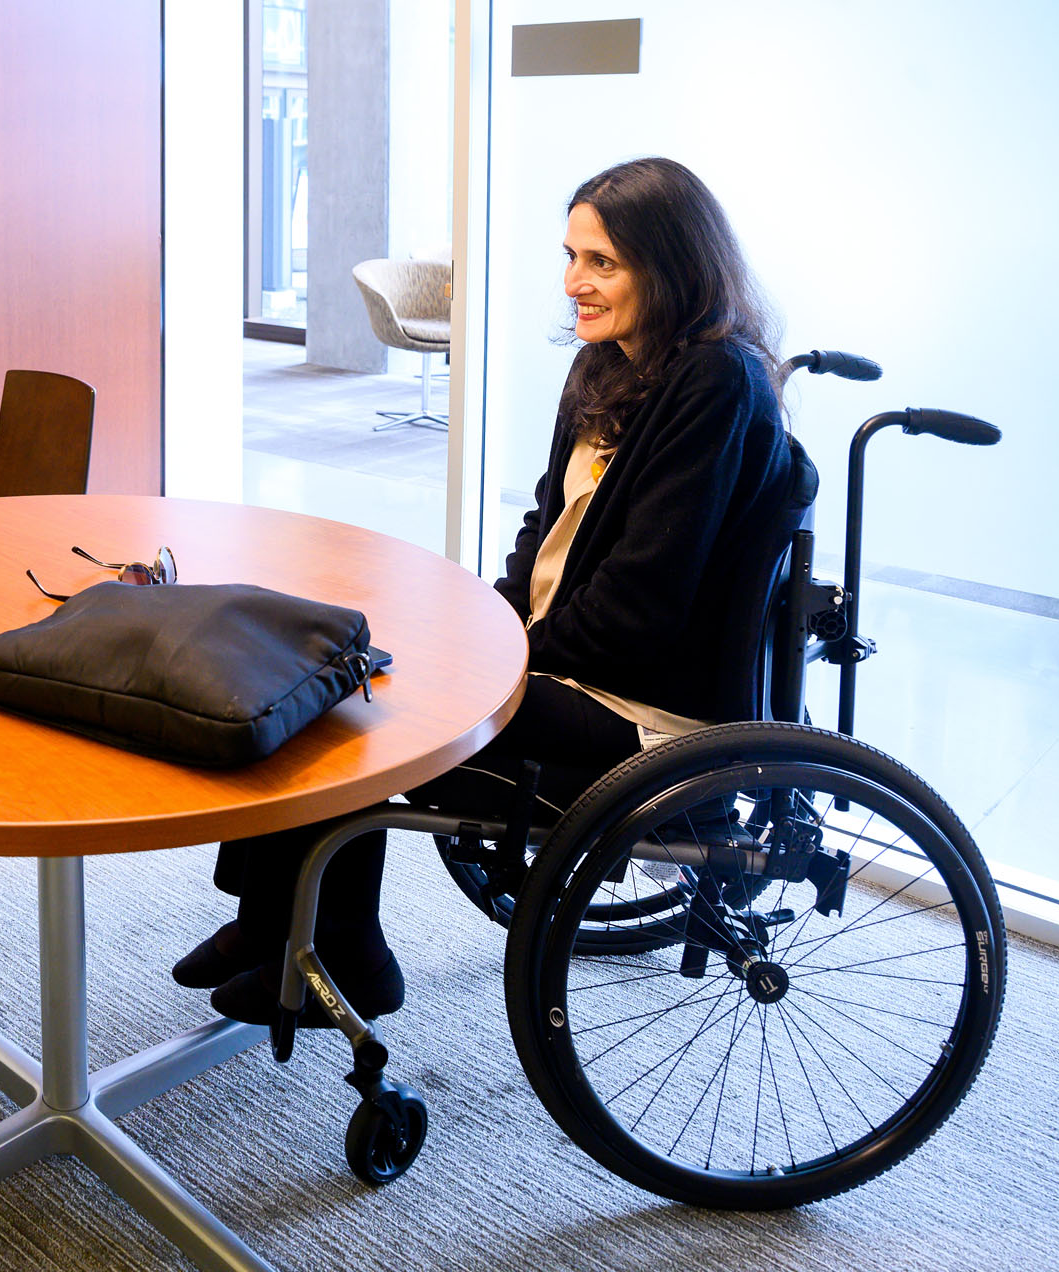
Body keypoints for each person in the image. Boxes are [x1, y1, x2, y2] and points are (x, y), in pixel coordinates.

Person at [176, 156, 793, 1026]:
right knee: (329, 652)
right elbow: (541, 535)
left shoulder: (718, 384)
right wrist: (481, 624)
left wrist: (488, 661)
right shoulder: (609, 365)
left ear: (675, 266)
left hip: (640, 706)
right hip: (568, 661)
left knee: (355, 701)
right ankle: (273, 921)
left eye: (603, 263)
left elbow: (640, 608)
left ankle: (345, 950)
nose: (574, 281)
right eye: (572, 256)